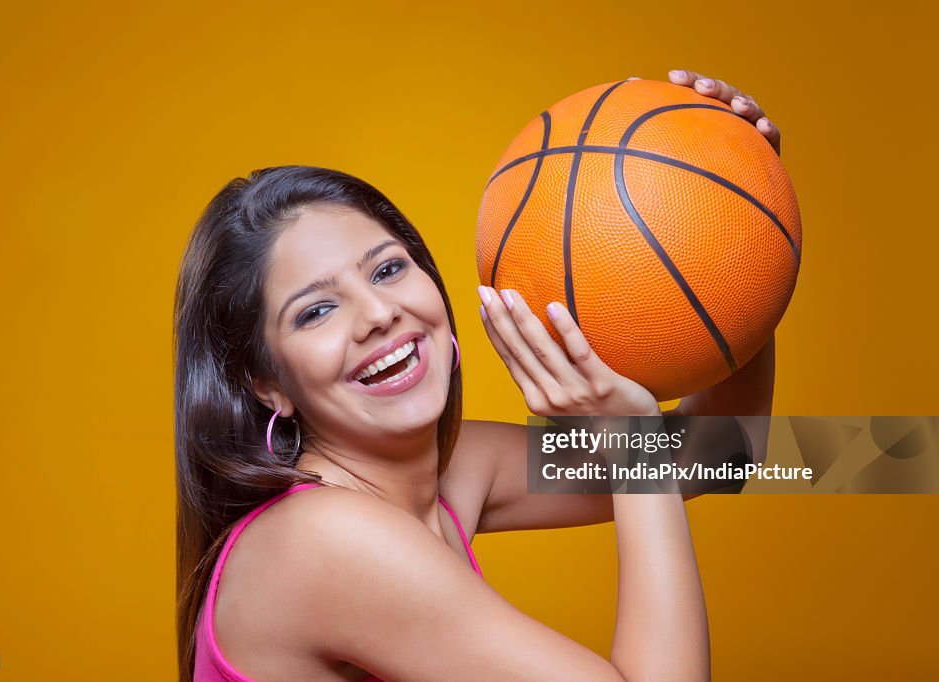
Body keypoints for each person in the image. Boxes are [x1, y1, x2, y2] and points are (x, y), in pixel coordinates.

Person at [175, 70, 778, 681]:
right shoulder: (321, 539)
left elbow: (722, 452)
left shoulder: (455, 467)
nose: (379, 314)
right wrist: (626, 436)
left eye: (386, 271)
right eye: (316, 311)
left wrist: (729, 225)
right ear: (265, 381)